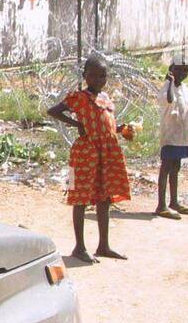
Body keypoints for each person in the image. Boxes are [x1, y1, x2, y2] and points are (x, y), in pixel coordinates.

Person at [48, 52, 131, 263]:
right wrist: (78, 125)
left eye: (102, 76)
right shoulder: (79, 98)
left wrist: (121, 130)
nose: (98, 80)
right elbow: (53, 111)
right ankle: (79, 247)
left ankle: (104, 245)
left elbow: (106, 124)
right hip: (84, 155)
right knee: (80, 199)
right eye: (93, 76)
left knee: (104, 198)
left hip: (106, 153)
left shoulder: (105, 99)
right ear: (85, 76)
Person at [155, 60, 188, 219]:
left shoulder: (184, 88)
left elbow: (187, 105)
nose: (182, 73)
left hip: (182, 135)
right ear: (171, 70)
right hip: (170, 135)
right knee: (166, 168)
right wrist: (169, 82)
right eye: (178, 70)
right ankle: (161, 205)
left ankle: (174, 201)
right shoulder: (166, 89)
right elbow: (169, 100)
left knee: (176, 167)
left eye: (185, 70)